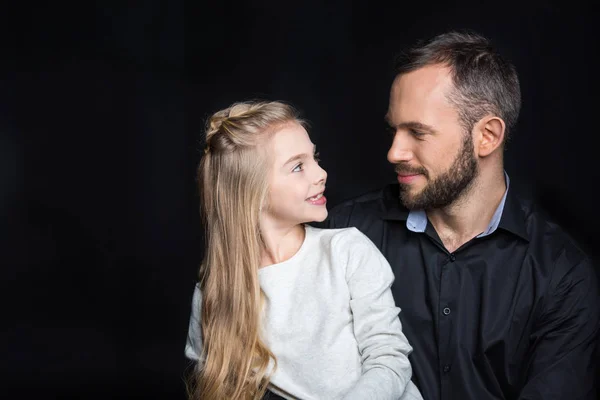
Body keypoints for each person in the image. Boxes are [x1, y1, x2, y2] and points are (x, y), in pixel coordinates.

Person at [320, 30, 600, 399]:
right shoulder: (345, 234)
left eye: (417, 133)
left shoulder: (561, 276)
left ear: (487, 136)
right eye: (394, 130)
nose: (393, 152)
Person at [183, 100, 423, 400]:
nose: (320, 173)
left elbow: (390, 360)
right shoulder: (215, 292)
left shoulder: (346, 251)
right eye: (298, 166)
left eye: (315, 158)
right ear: (251, 192)